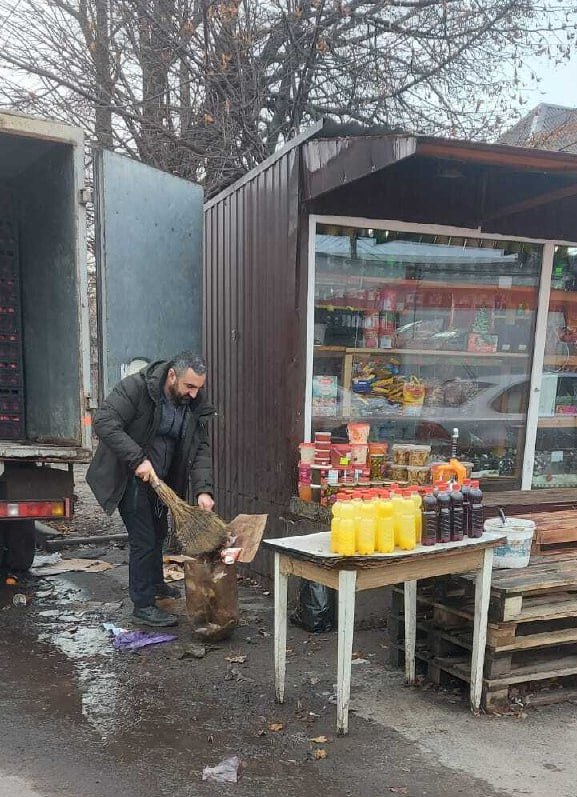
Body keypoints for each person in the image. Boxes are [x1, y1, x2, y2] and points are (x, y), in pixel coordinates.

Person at [87, 352, 215, 627]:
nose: (194, 394)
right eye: (189, 386)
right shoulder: (137, 388)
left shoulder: (193, 403)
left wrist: (203, 490)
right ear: (172, 376)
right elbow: (104, 421)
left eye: (198, 387)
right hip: (129, 474)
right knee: (143, 539)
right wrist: (137, 459)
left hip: (162, 480)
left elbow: (200, 448)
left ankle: (156, 583)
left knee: (158, 532)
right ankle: (143, 605)